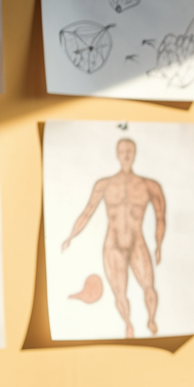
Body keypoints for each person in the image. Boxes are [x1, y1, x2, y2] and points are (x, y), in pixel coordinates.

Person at [61, 138, 166, 339]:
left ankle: (151, 319)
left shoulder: (148, 185)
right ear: (117, 154)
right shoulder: (105, 184)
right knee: (120, 293)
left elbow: (160, 216)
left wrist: (159, 244)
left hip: (137, 242)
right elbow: (87, 212)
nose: (126, 155)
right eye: (122, 151)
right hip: (113, 245)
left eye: (129, 151)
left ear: (134, 153)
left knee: (149, 287)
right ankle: (128, 324)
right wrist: (71, 237)